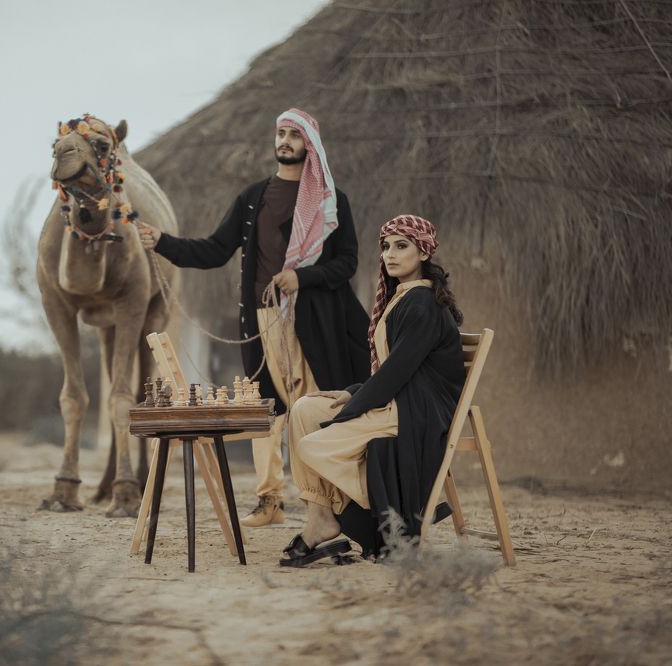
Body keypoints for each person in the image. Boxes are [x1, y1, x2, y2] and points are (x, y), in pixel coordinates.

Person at [138, 109, 370, 527]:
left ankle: (328, 503)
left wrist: (302, 276)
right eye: (279, 133)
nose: (284, 141)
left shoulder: (331, 202)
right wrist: (162, 242)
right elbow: (213, 250)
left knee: (313, 410)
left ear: (309, 145)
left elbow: (348, 263)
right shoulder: (252, 198)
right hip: (263, 320)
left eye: (292, 135)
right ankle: (270, 502)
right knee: (269, 410)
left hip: (316, 323)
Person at [278, 214, 466, 567]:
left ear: (423, 251)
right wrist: (352, 393)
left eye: (401, 246)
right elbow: (397, 369)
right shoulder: (402, 298)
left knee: (311, 446)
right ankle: (321, 520)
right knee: (304, 409)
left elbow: (397, 374)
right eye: (385, 247)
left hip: (414, 411)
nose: (389, 254)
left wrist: (349, 412)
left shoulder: (422, 304)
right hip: (397, 397)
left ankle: (380, 521)